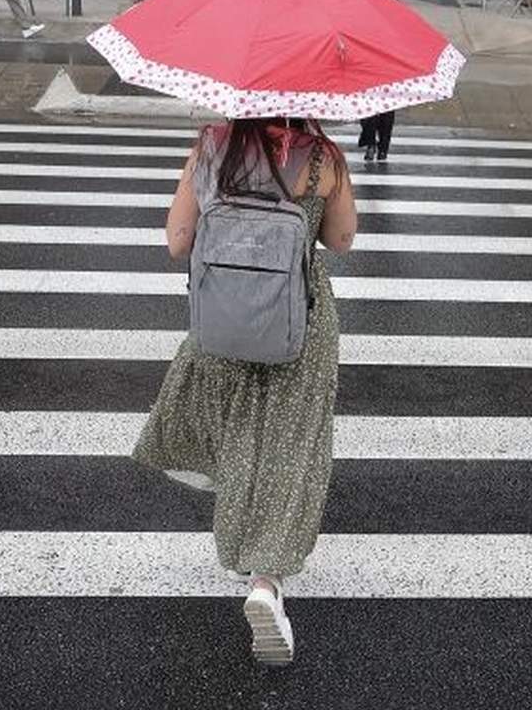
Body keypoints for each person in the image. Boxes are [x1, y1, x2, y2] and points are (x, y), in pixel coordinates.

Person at [133, 117, 357, 665]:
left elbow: (177, 242)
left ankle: (242, 536)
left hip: (225, 316)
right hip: (299, 322)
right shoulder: (323, 158)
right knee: (289, 445)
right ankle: (266, 580)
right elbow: (341, 240)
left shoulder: (211, 148)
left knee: (237, 433)